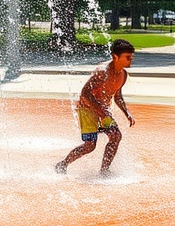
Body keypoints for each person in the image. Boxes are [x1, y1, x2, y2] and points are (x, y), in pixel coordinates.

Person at [55, 39, 136, 176]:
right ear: (115, 57)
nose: (130, 60)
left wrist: (126, 113)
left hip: (103, 111)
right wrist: (101, 111)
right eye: (128, 57)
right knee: (90, 146)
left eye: (131, 57)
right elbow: (85, 93)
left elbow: (117, 96)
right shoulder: (102, 72)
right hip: (87, 110)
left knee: (116, 136)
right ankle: (62, 164)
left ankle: (104, 170)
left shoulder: (123, 75)